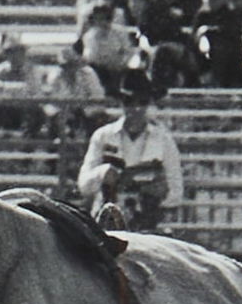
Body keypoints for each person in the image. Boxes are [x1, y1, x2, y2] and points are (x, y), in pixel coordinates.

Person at [77, 68, 182, 231]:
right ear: (121, 102)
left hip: (148, 222)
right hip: (106, 220)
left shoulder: (163, 140)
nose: (136, 108)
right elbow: (83, 185)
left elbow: (177, 190)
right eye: (129, 101)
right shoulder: (103, 136)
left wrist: (162, 193)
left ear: (149, 103)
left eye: (142, 102)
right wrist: (102, 173)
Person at [193, 0, 242, 88]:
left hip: (229, 60)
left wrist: (209, 31)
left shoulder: (230, 14)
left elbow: (233, 35)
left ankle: (217, 84)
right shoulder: (202, 16)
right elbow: (194, 38)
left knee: (221, 48)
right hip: (205, 58)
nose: (212, 2)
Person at [0, 34, 40, 139]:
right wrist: (17, 90)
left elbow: (33, 90)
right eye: (12, 52)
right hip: (4, 110)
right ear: (7, 54)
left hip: (23, 110)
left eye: (20, 51)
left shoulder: (31, 70)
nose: (16, 55)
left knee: (34, 111)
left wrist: (2, 87)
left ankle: (28, 148)